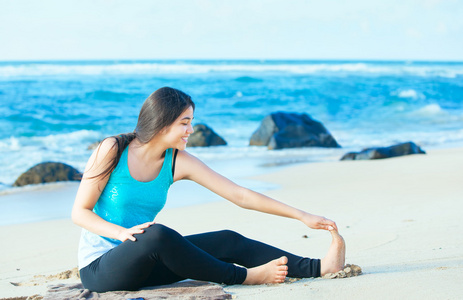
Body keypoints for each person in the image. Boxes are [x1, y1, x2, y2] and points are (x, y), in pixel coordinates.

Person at [72, 87, 346, 293]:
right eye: (184, 122)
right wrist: (121, 234)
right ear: (161, 122)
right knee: (156, 235)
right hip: (100, 269)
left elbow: (240, 195)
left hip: (146, 265)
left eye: (191, 121)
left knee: (226, 239)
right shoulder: (112, 149)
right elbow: (80, 212)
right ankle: (245, 276)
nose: (191, 129)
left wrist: (302, 216)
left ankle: (319, 267)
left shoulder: (177, 162)